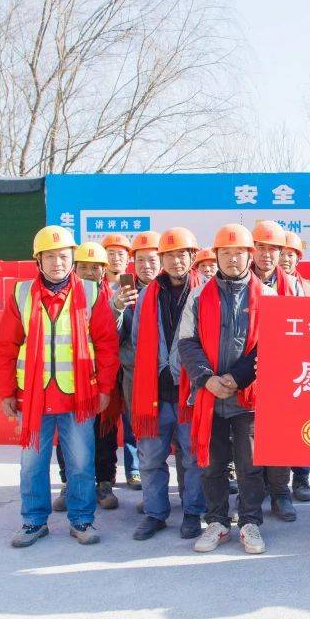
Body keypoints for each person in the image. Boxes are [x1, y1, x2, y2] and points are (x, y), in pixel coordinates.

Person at [0, 226, 120, 548]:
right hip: (33, 398)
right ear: (38, 260)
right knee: (31, 465)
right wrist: (6, 392)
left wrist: (105, 389)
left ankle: (82, 520)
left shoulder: (91, 293)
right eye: (49, 257)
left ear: (72, 258)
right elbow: (6, 346)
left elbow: (106, 345)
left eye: (63, 256)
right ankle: (34, 521)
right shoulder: (22, 294)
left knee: (81, 463)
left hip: (79, 397)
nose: (57, 263)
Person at [177, 224, 275, 555]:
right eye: (226, 253)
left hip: (249, 398)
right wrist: (207, 379)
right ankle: (217, 521)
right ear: (216, 256)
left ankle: (250, 522)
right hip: (209, 396)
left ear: (251, 256)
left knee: (250, 466)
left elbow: (270, 345)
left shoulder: (267, 296)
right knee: (211, 465)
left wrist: (237, 378)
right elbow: (187, 342)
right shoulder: (198, 295)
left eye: (239, 253)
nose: (233, 259)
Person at [130, 227, 210, 541]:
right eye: (170, 255)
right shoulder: (148, 294)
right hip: (154, 394)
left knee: (193, 457)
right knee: (150, 458)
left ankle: (192, 512)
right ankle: (155, 513)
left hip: (191, 393)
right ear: (161, 258)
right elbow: (137, 340)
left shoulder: (206, 291)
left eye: (182, 255)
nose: (176, 261)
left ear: (193, 257)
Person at [52, 242, 122, 512]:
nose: (90, 272)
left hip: (104, 378)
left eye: (96, 268)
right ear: (74, 269)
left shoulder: (114, 296)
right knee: (67, 435)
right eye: (84, 267)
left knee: (104, 433)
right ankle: (69, 482)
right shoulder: (63, 297)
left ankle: (103, 482)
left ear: (104, 271)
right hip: (70, 380)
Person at [249, 219, 301, 522]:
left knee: (279, 437)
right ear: (252, 250)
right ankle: (253, 494)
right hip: (246, 373)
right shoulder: (239, 280)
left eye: (274, 249)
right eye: (261, 247)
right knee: (248, 440)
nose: (267, 255)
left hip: (281, 372)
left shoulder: (292, 287)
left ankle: (281, 493)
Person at [115, 229, 163, 491]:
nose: (146, 266)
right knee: (136, 423)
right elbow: (114, 336)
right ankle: (135, 471)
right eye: (140, 260)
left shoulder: (170, 288)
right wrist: (117, 308)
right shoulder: (125, 291)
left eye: (152, 260)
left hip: (166, 372)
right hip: (135, 372)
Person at [278, 230, 310, 502]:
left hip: (303, 367)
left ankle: (302, 476)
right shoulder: (262, 287)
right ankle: (274, 483)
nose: (285, 259)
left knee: (302, 425)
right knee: (275, 428)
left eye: (290, 255)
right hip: (272, 367)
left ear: (298, 258)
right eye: (281, 254)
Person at [100, 233, 141, 492]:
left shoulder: (135, 287)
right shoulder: (94, 286)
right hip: (103, 365)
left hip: (127, 365)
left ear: (128, 259)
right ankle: (105, 476)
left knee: (131, 419)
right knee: (104, 423)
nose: (116, 258)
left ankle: (134, 469)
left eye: (121, 254)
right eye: (111, 253)